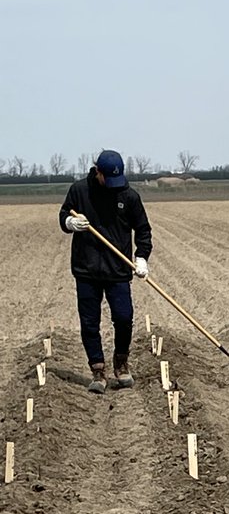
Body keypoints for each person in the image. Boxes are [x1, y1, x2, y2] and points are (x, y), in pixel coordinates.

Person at [59, 149, 152, 393]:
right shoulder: (79, 191)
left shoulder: (129, 196)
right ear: (97, 172)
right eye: (107, 179)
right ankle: (97, 370)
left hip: (118, 270)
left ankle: (121, 362)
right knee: (90, 322)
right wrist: (71, 223)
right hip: (86, 268)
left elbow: (143, 230)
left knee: (123, 317)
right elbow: (63, 215)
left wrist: (141, 258)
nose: (112, 185)